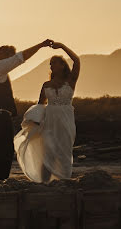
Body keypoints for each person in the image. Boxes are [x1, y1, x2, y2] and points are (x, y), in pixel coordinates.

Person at [0, 39, 54, 181]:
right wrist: (40, 45)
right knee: (5, 152)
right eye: (9, 57)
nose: (11, 62)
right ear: (1, 55)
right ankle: (0, 182)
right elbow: (20, 58)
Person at [13, 42, 80, 182]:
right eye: (50, 64)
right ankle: (44, 184)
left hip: (66, 121)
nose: (51, 66)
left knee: (64, 153)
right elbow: (40, 104)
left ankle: (64, 182)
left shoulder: (70, 80)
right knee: (49, 153)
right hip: (50, 121)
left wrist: (62, 46)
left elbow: (77, 60)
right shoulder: (46, 85)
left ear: (62, 65)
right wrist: (34, 120)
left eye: (54, 63)